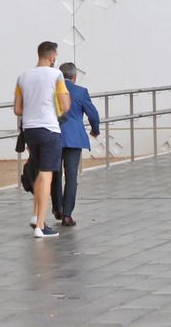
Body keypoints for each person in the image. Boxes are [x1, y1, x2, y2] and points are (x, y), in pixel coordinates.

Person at [15, 41, 70, 239]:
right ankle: (40, 225)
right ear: (53, 56)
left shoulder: (23, 76)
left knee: (39, 172)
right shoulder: (56, 75)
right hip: (49, 128)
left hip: (30, 129)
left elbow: (17, 109)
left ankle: (35, 215)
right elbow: (65, 105)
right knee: (47, 175)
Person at [51, 62, 101, 227]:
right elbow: (93, 114)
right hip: (74, 138)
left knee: (55, 175)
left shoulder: (52, 90)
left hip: (54, 137)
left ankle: (57, 208)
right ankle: (67, 215)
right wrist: (95, 130)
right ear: (74, 76)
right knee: (71, 176)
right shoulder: (81, 91)